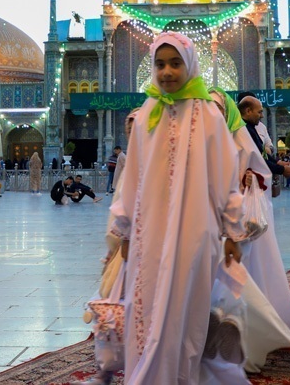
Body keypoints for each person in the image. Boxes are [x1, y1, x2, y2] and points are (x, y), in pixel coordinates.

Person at [109, 31, 245, 383]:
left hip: (194, 229)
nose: (167, 72)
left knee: (186, 306)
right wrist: (122, 229)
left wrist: (232, 232)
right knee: (148, 302)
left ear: (190, 65)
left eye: (175, 64)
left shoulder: (210, 117)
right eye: (160, 64)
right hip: (148, 231)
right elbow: (132, 179)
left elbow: (227, 177)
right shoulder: (146, 116)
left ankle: (181, 375)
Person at [210, 88, 290, 335]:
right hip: (207, 220)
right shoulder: (204, 139)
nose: (213, 114)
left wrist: (247, 177)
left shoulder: (239, 137)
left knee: (240, 273)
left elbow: (258, 169)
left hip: (236, 218)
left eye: (218, 109)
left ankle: (244, 326)